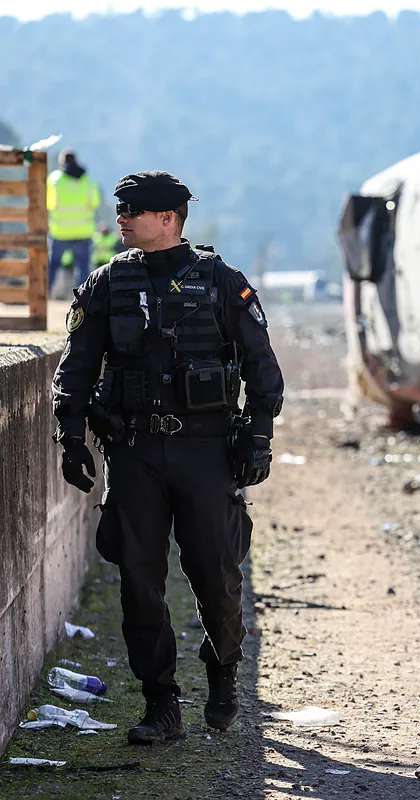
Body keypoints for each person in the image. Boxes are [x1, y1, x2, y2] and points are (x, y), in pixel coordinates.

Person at [51, 171, 285, 745]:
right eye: (120, 209)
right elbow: (77, 365)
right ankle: (162, 707)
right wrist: (72, 436)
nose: (121, 218)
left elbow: (263, 368)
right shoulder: (106, 283)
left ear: (169, 219)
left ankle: (224, 673)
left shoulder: (222, 281)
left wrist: (257, 438)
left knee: (217, 574)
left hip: (206, 453)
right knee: (138, 581)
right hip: (133, 453)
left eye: (133, 211)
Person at [47, 149, 101, 292]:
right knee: (82, 268)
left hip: (60, 231)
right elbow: (95, 202)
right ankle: (83, 300)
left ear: (61, 162)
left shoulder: (55, 180)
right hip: (83, 231)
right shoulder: (88, 180)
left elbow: (48, 203)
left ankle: (44, 296)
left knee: (52, 266)